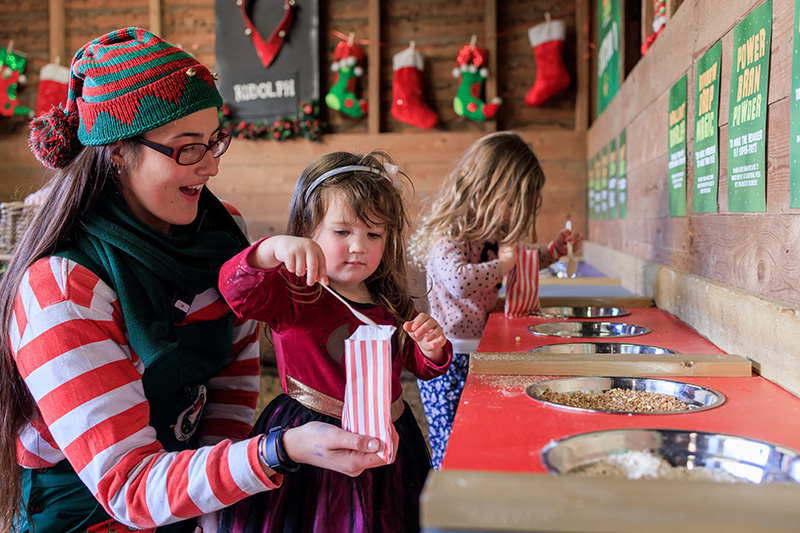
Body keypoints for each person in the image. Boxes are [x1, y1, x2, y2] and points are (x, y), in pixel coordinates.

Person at [0, 27, 387, 533]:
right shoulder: (63, 288)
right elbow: (130, 486)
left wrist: (211, 507)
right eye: (187, 148)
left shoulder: (223, 232)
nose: (209, 166)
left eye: (214, 141)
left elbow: (231, 374)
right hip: (85, 509)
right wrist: (278, 450)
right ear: (117, 151)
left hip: (186, 490)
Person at [216, 151, 453, 532]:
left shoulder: (388, 299)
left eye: (373, 234)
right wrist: (270, 249)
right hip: (311, 443)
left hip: (389, 438)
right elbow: (235, 289)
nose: (359, 245)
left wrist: (431, 347)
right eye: (343, 232)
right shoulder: (293, 293)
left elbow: (419, 367)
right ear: (309, 229)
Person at [407, 131, 583, 469]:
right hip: (447, 357)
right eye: (514, 204)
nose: (517, 214)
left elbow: (522, 257)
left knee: (474, 430)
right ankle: (446, 499)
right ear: (487, 191)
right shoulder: (450, 236)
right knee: (449, 437)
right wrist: (503, 265)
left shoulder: (491, 236)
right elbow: (460, 282)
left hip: (479, 350)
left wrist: (553, 252)